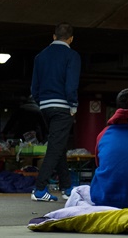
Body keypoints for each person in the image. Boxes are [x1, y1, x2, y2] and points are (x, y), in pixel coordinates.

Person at [30, 22, 81, 202]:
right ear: (71, 39)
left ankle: (67, 189)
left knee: (58, 146)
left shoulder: (40, 57)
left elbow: (34, 87)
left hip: (44, 107)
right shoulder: (72, 56)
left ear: (53, 36)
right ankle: (39, 189)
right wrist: (73, 105)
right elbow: (71, 84)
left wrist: (42, 101)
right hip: (62, 107)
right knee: (54, 148)